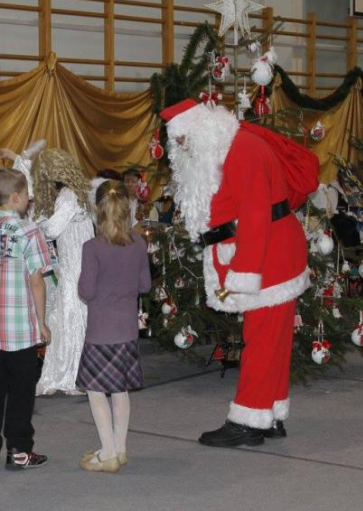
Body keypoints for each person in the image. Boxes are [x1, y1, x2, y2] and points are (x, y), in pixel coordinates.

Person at [160, 99, 319, 448]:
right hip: (272, 251)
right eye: (178, 141)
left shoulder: (241, 149)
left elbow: (256, 213)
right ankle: (270, 414)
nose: (183, 146)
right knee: (273, 339)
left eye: (185, 138)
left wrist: (244, 272)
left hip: (268, 257)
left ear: (203, 127)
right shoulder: (226, 147)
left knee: (261, 339)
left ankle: (247, 419)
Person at [0, 168, 51, 471]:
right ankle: (19, 450)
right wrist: (42, 321)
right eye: (27, 193)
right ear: (16, 197)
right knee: (20, 392)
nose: (29, 198)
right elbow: (37, 280)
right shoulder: (30, 232)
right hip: (21, 330)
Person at [0, 144, 94, 396]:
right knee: (66, 317)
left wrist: (32, 225)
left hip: (76, 267)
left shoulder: (69, 197)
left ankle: (69, 375)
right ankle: (63, 374)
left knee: (70, 317)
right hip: (75, 265)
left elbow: (52, 229)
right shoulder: (73, 194)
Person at [76, 181, 151, 473]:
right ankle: (119, 448)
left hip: (100, 332)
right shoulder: (138, 244)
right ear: (127, 210)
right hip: (127, 330)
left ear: (97, 210)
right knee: (120, 391)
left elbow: (87, 291)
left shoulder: (92, 247)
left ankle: (107, 452)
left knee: (96, 392)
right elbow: (144, 284)